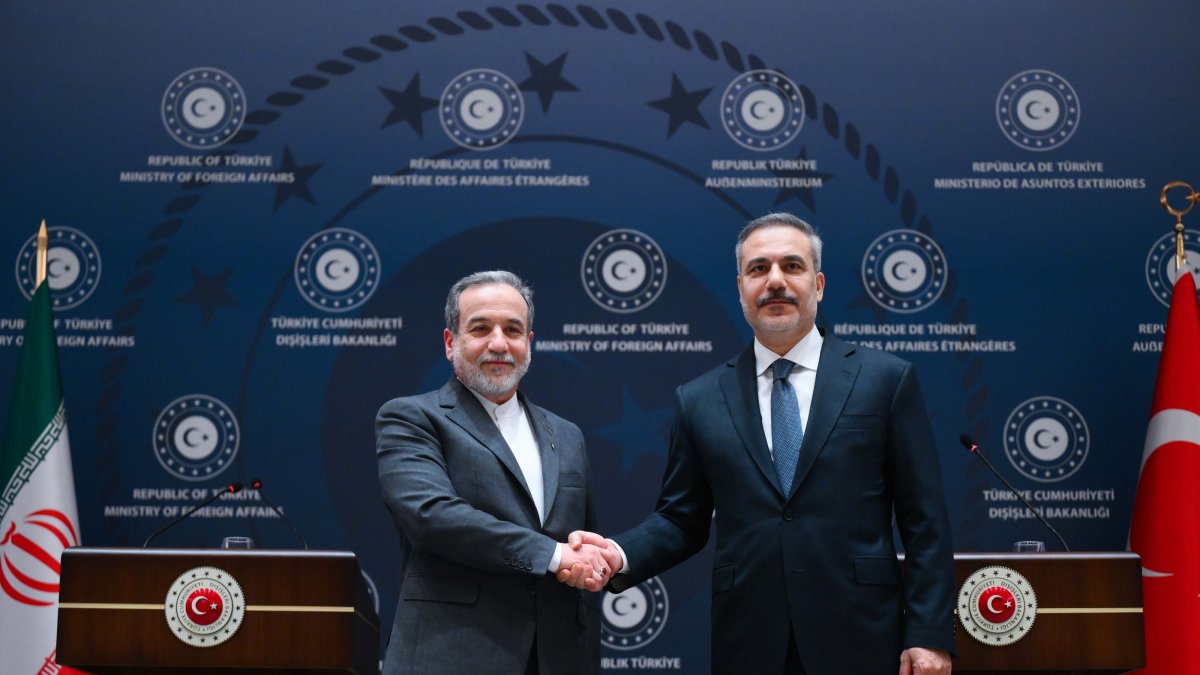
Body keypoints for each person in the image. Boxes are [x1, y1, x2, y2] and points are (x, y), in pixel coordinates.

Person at [565, 213, 956, 674]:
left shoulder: (885, 381)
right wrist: (618, 554)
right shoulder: (699, 399)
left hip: (862, 634)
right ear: (740, 289)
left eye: (792, 266)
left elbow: (924, 522)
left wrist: (929, 635)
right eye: (758, 269)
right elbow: (680, 520)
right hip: (750, 640)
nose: (775, 281)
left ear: (819, 284)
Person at [376, 270, 611, 675]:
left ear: (529, 344)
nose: (499, 343)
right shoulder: (412, 417)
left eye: (513, 330)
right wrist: (553, 555)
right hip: (452, 657)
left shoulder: (568, 435)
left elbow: (583, 566)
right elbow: (432, 517)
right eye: (480, 328)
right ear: (451, 343)